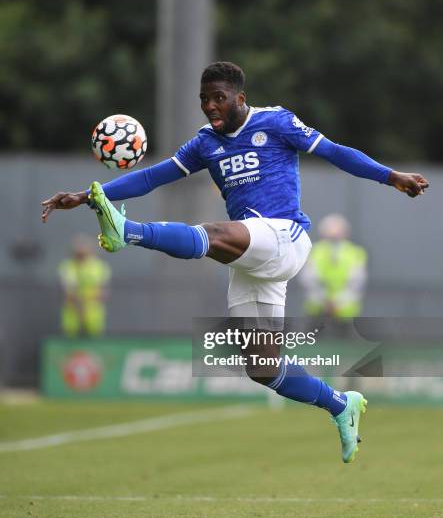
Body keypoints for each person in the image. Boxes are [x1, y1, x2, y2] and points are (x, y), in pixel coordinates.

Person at [41, 61, 429, 463]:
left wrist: (390, 176)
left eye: (219, 98)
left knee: (215, 232)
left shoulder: (276, 122)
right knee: (262, 367)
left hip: (283, 236)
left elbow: (335, 152)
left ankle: (130, 232)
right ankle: (340, 404)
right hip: (251, 258)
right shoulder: (205, 143)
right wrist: (89, 195)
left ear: (240, 98)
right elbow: (152, 177)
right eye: (204, 99)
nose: (210, 106)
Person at [299, 214, 367, 319]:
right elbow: (308, 280)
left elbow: (357, 283)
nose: (334, 233)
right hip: (317, 311)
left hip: (346, 313)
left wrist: (338, 303)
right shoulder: (314, 251)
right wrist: (325, 302)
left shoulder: (356, 253)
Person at [58, 234, 111, 337]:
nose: (81, 251)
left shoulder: (99, 266)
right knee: (71, 342)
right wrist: (79, 306)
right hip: (73, 313)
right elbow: (68, 292)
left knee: (94, 343)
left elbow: (104, 292)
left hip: (94, 314)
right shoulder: (67, 267)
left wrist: (89, 302)